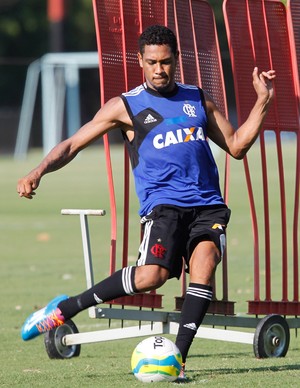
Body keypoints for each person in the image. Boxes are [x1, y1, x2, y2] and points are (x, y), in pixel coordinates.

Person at [17, 25, 275, 380]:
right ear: (140, 61)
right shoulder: (125, 106)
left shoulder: (197, 99)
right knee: (152, 276)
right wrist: (39, 169)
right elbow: (73, 144)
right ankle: (65, 308)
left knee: (206, 263)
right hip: (163, 208)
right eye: (152, 62)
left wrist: (262, 100)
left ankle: (177, 361)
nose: (159, 69)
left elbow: (237, 145)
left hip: (207, 206)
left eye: (166, 62)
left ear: (177, 60)